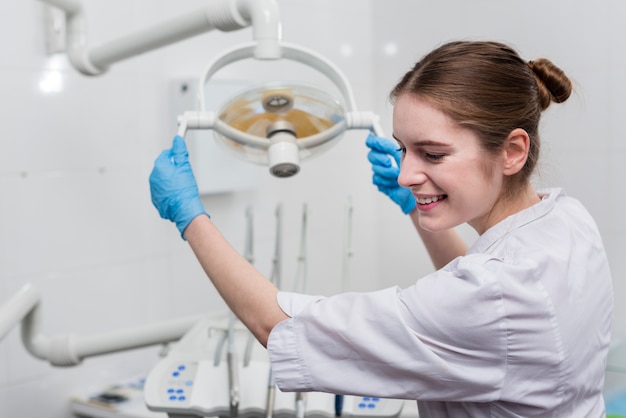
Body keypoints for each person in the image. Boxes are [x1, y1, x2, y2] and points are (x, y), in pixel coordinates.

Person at [149, 40, 613, 417]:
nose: (408, 173)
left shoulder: (497, 294)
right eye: (403, 148)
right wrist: (419, 212)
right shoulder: (567, 220)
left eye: (432, 154)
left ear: (512, 151)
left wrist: (191, 217)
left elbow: (278, 326)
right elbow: (488, 311)